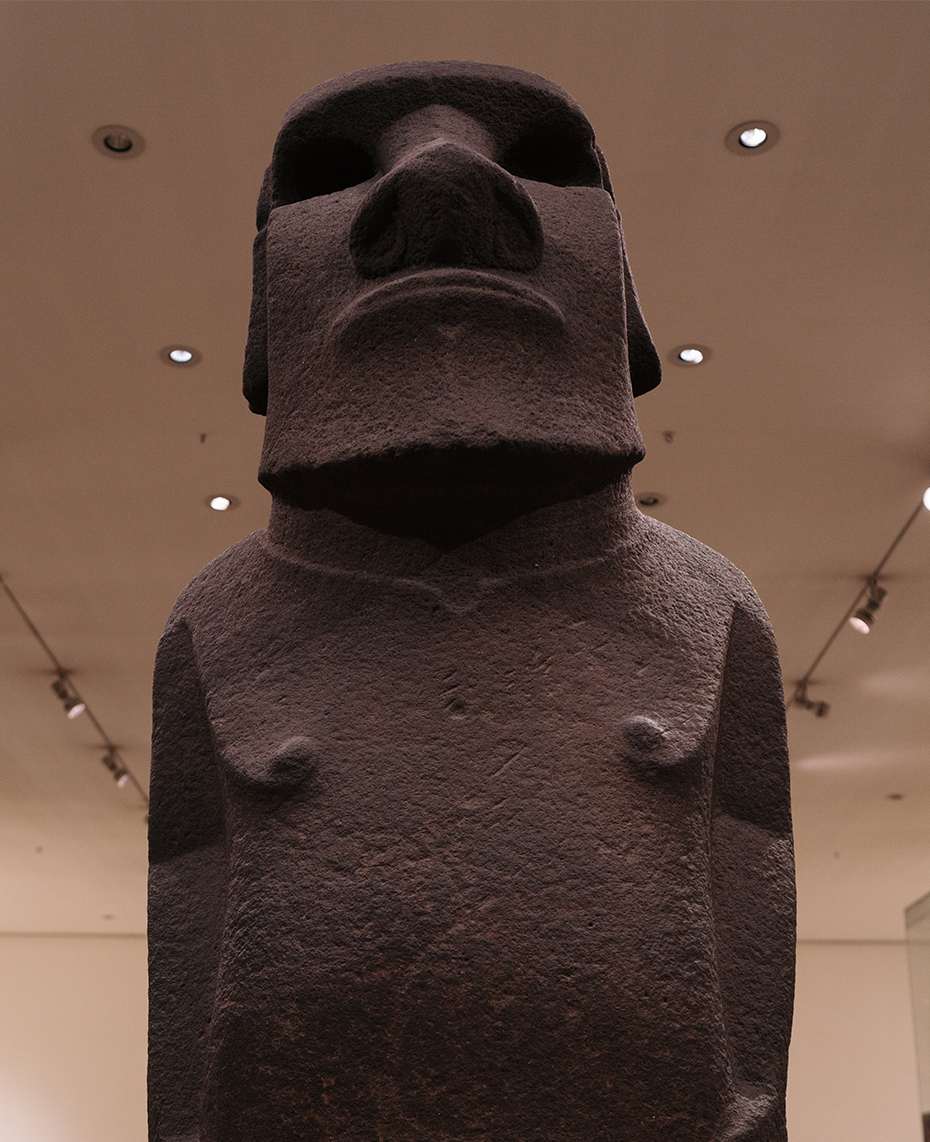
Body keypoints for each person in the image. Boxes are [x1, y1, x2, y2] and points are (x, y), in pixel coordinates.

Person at [149, 61, 794, 1142]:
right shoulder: (218, 620)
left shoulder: (710, 604)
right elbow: (188, 911)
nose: (440, 185)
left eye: (542, 165)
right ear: (269, 297)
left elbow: (750, 913)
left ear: (621, 291)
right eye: (331, 175)